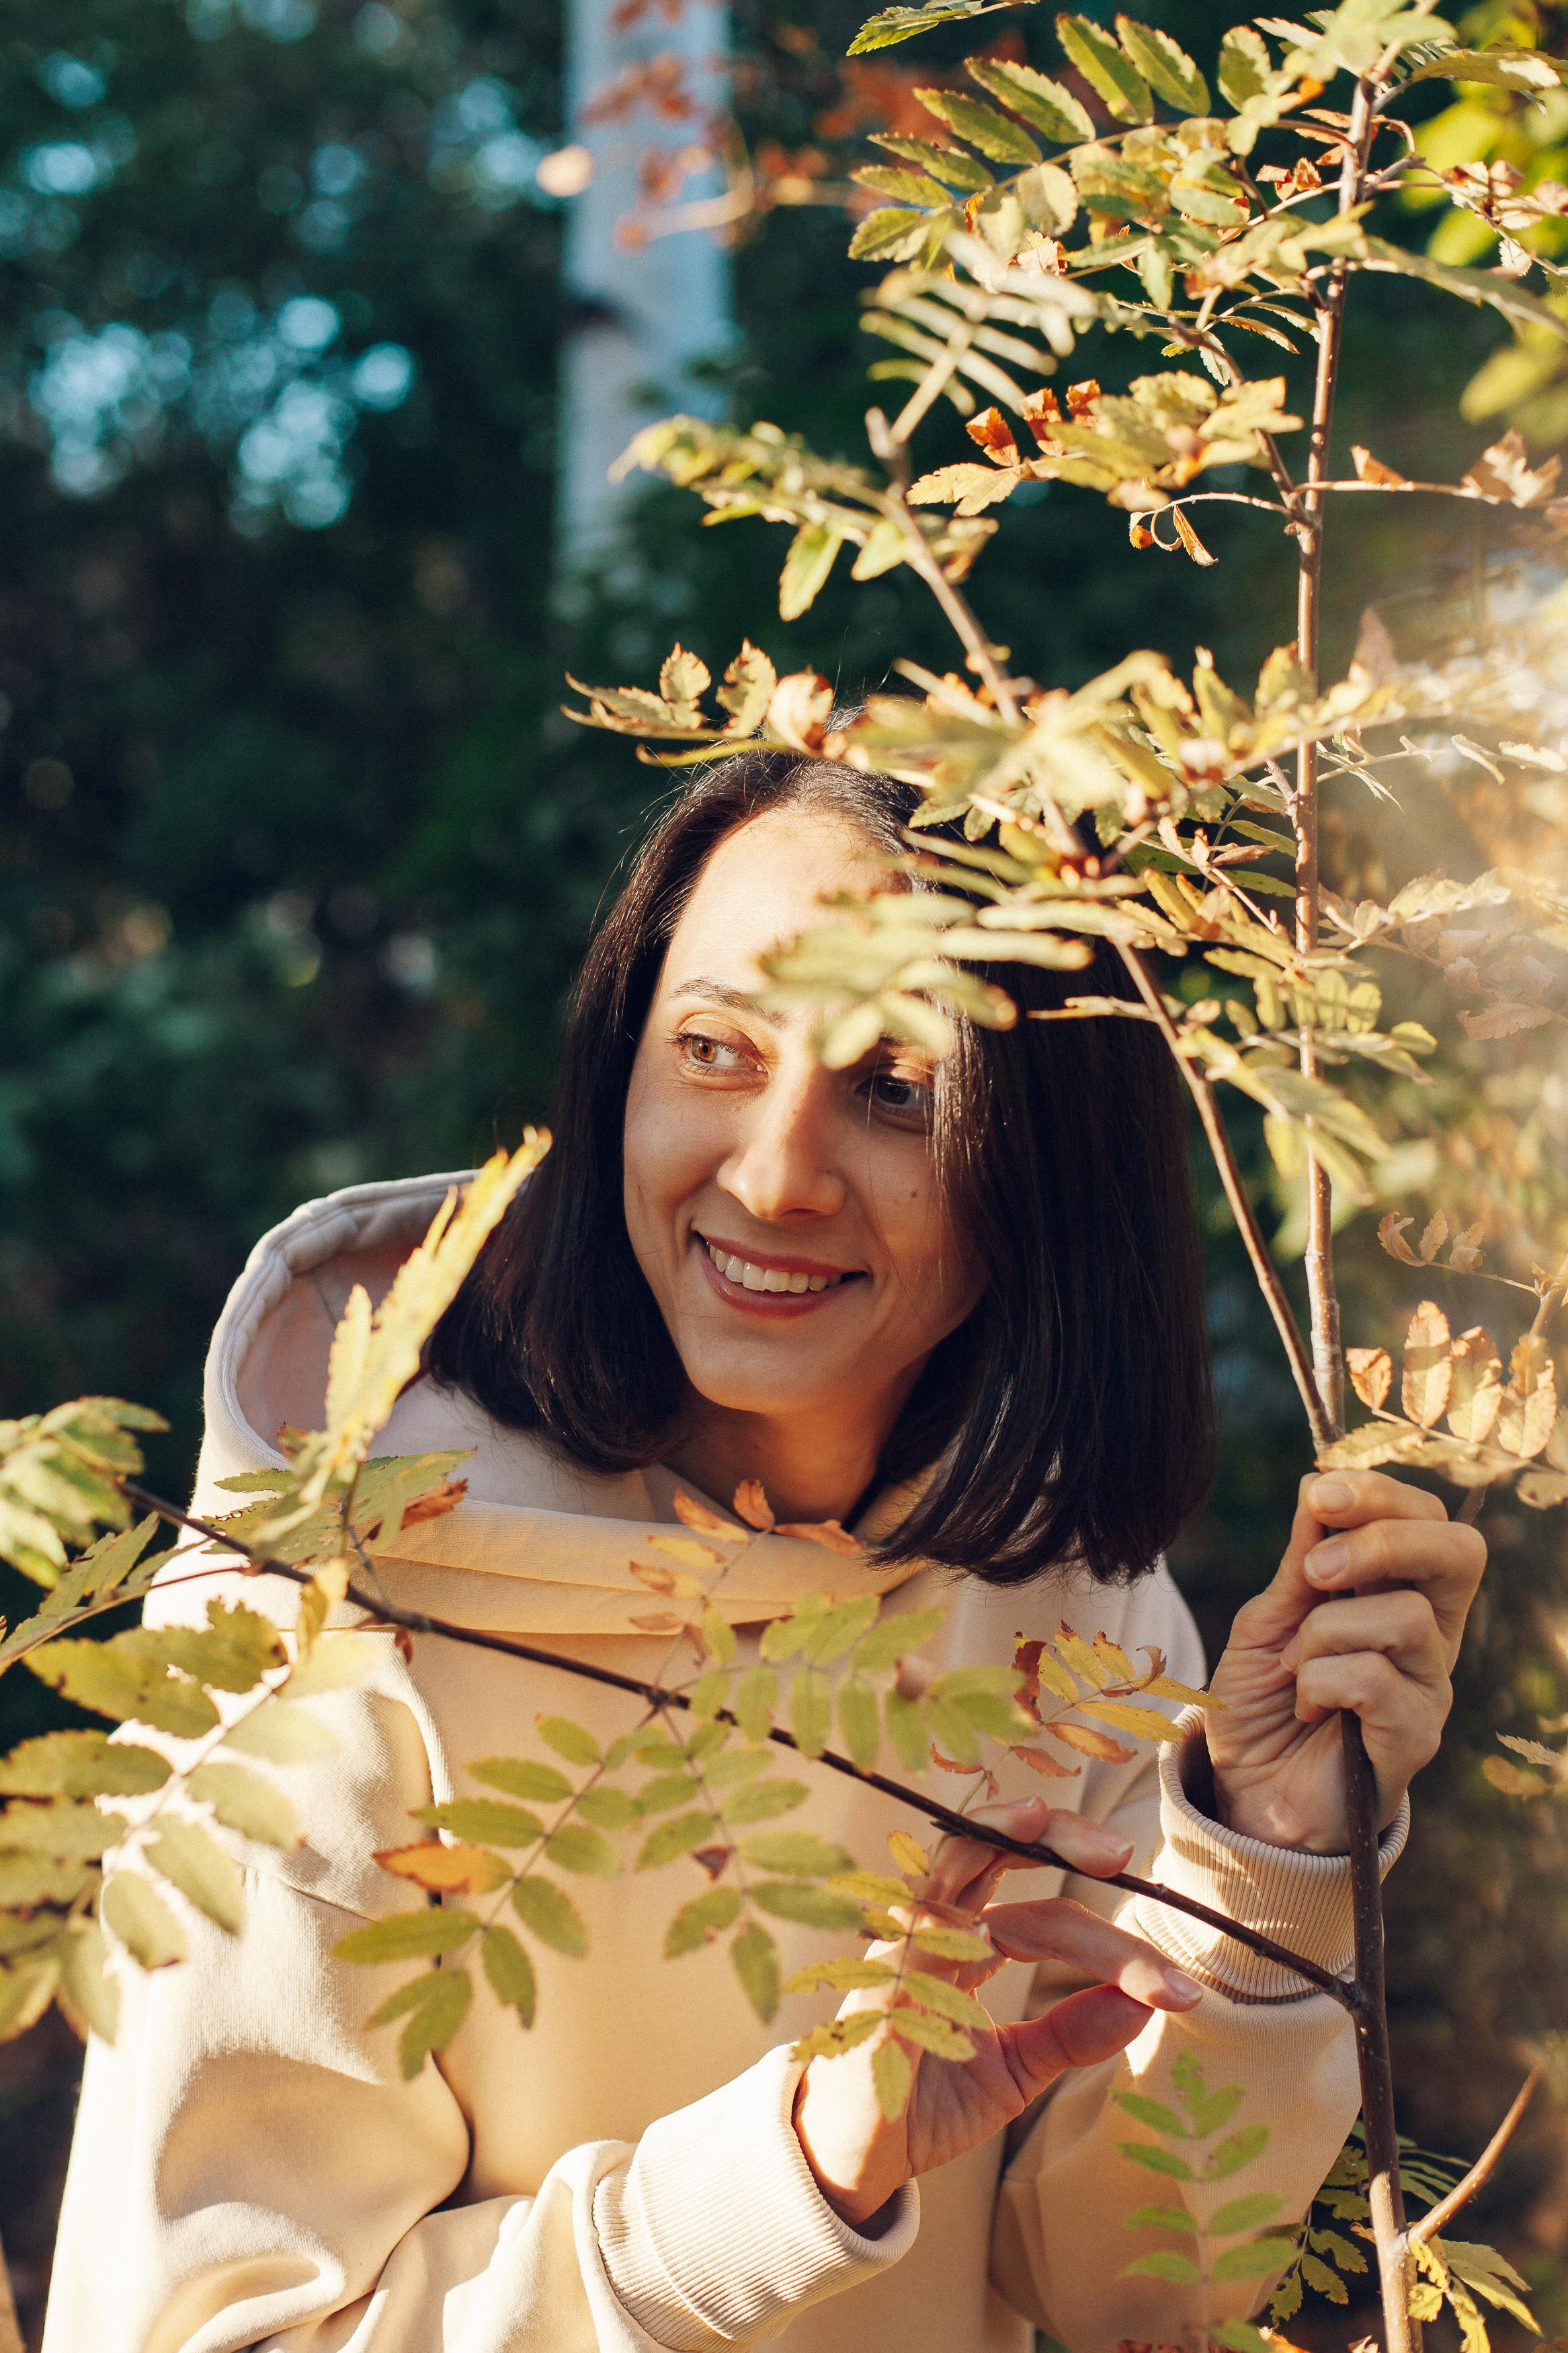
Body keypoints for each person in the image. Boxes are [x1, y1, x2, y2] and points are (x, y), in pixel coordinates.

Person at [44, 752, 1485, 2353]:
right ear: (617, 1076)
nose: (776, 1173)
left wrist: (1266, 1850)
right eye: (715, 1049)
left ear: (1046, 1172)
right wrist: (787, 2179)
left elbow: (1138, 2295)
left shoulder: (1070, 1603)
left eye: (896, 1091)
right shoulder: (340, 1599)